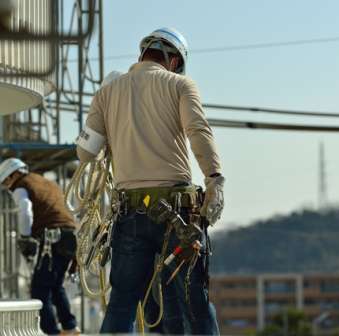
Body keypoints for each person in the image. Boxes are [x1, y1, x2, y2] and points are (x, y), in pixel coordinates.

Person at [76, 27, 224, 334]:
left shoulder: (107, 92)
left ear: (142, 54)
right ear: (173, 61)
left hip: (129, 213)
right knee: (192, 300)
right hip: (176, 215)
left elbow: (85, 153)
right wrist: (214, 179)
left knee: (123, 302)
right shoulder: (180, 84)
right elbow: (198, 132)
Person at [0, 158, 79, 335]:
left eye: (6, 181)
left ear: (14, 174)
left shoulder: (22, 185)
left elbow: (25, 210)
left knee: (39, 288)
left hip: (52, 239)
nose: (7, 186)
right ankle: (70, 327)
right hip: (69, 236)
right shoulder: (47, 183)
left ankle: (51, 331)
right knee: (56, 285)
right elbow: (68, 208)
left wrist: (25, 237)